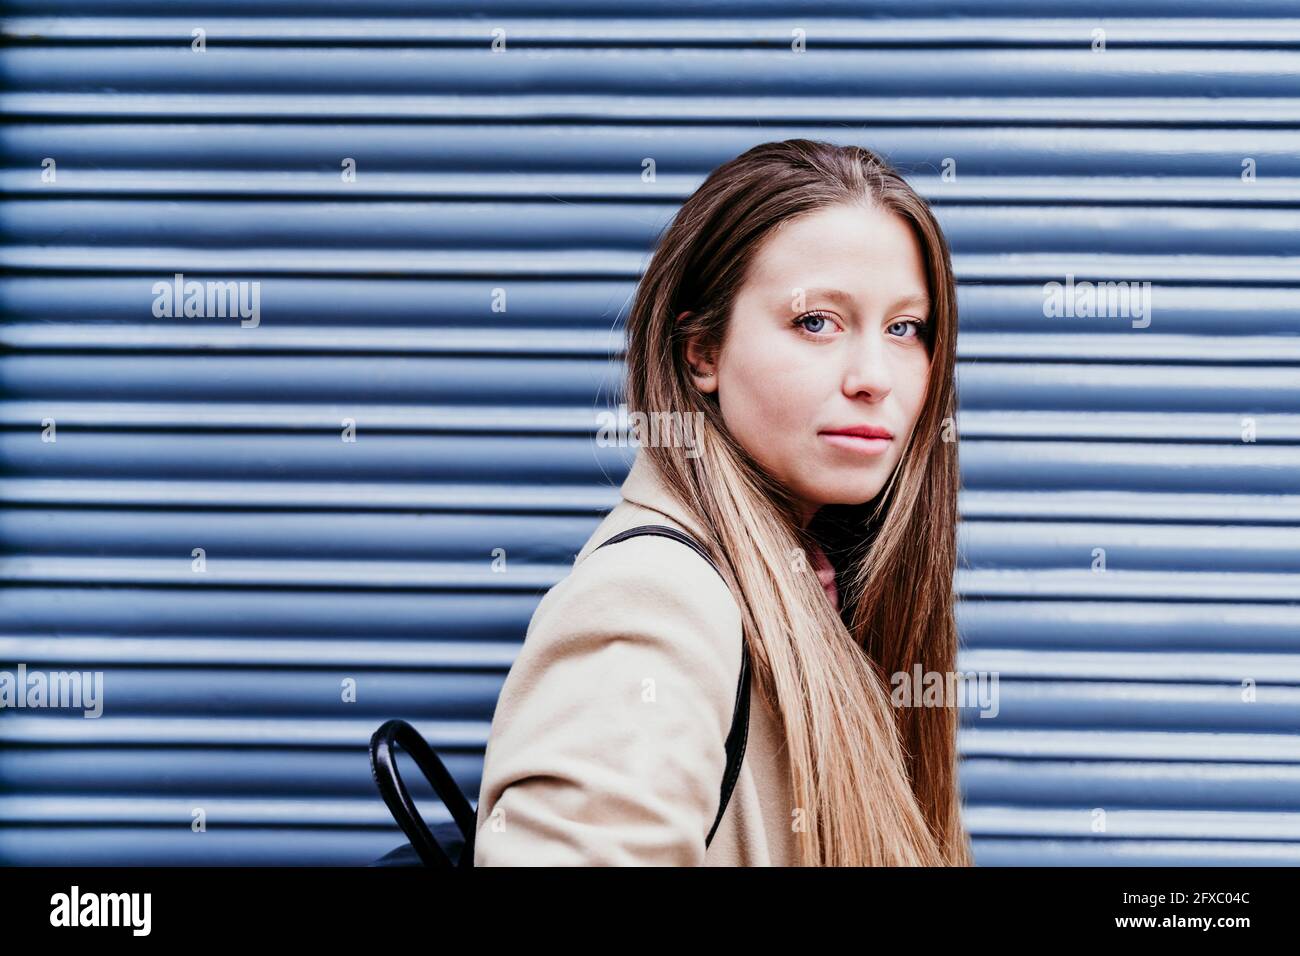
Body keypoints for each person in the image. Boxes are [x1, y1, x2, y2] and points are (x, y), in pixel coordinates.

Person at [473, 139, 972, 866]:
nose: (873, 376)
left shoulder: (818, 580)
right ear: (701, 351)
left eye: (905, 328)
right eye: (816, 321)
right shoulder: (654, 606)